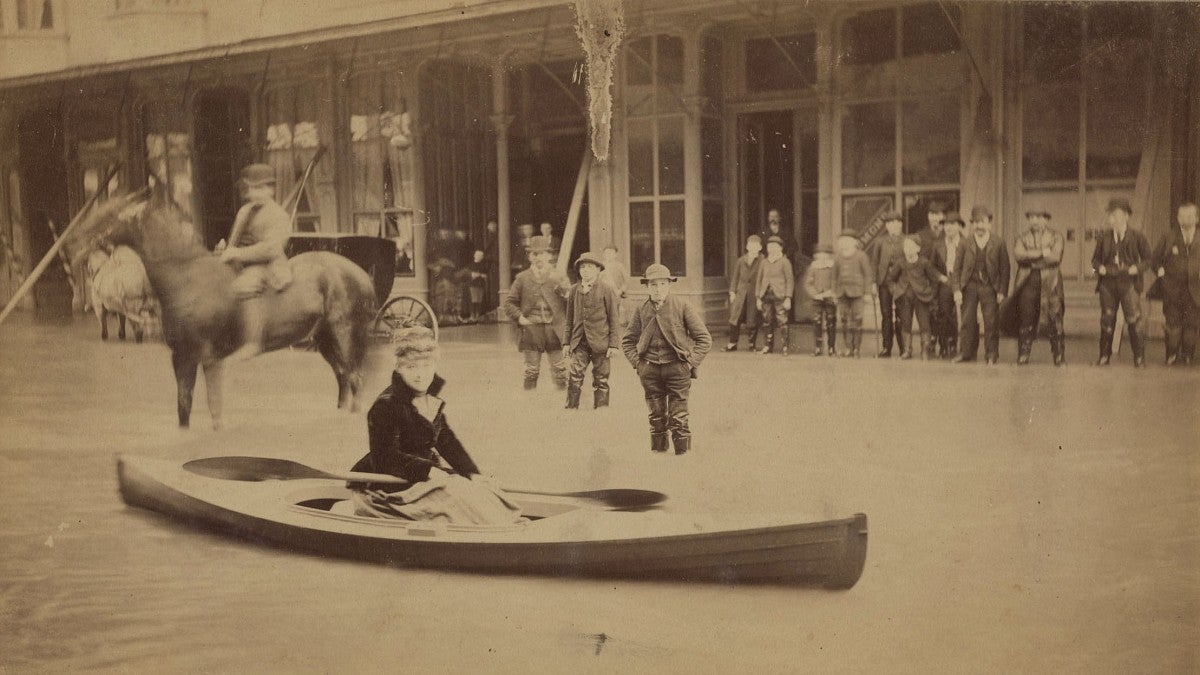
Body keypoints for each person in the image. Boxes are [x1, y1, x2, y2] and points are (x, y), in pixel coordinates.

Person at [348, 326, 522, 525]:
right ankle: (492, 528)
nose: (420, 375)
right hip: (389, 483)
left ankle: (503, 523)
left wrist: (472, 473)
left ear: (435, 366)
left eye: (426, 366)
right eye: (411, 367)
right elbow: (385, 458)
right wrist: (429, 471)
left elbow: (446, 441)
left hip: (420, 474)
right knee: (456, 495)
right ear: (398, 368)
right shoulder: (387, 405)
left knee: (478, 487)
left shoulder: (430, 400)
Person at [622, 264, 712, 455]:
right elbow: (628, 341)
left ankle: (682, 452)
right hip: (649, 370)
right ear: (647, 287)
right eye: (653, 285)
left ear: (669, 285)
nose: (658, 289)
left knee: (679, 414)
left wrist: (689, 363)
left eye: (662, 284)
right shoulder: (641, 309)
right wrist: (637, 364)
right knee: (655, 413)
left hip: (677, 369)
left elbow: (704, 339)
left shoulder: (682, 306)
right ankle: (659, 452)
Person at [219, 163, 293, 361]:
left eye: (261, 188)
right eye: (252, 189)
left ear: (271, 189)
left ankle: (253, 341)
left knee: (245, 285)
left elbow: (271, 249)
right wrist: (226, 251)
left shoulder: (278, 216)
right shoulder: (244, 211)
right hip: (240, 262)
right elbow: (235, 239)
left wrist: (238, 254)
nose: (256, 193)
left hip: (267, 265)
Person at [503, 236, 571, 389]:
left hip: (555, 329)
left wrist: (566, 293)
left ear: (549, 255)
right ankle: (530, 402)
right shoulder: (522, 278)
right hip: (531, 328)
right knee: (531, 370)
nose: (539, 258)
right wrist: (521, 318)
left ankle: (561, 404)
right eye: (535, 254)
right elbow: (509, 303)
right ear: (530, 257)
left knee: (560, 370)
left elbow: (571, 302)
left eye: (542, 254)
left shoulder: (559, 276)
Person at [1091, 198, 1152, 367]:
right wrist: (1099, 270)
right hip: (1107, 285)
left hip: (1129, 284)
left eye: (1116, 215)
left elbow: (1149, 260)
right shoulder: (1104, 237)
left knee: (1134, 320)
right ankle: (1104, 357)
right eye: (1110, 216)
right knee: (1107, 319)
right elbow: (1093, 264)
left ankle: (1139, 358)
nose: (1112, 219)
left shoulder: (1137, 236)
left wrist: (1136, 269)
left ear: (1126, 216)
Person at [1008, 209, 1066, 366]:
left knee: (1055, 316)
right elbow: (1019, 256)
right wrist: (1043, 253)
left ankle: (1059, 355)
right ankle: (1024, 354)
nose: (1034, 220)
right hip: (1027, 281)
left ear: (1046, 219)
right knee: (1025, 316)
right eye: (1031, 217)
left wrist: (1031, 259)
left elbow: (1055, 258)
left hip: (1051, 281)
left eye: (1039, 217)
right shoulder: (1021, 237)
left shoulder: (1056, 236)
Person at [953, 206, 1010, 365]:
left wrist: (1002, 291)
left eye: (983, 222)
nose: (979, 226)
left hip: (990, 287)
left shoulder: (998, 242)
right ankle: (966, 352)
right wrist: (957, 289)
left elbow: (1005, 269)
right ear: (972, 224)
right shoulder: (965, 243)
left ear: (989, 223)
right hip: (969, 286)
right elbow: (956, 268)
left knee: (991, 321)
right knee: (967, 320)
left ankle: (991, 354)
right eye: (976, 222)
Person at [563, 251, 620, 410]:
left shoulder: (606, 289)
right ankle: (571, 409)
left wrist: (614, 345)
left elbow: (614, 319)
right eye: (582, 267)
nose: (585, 270)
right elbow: (569, 319)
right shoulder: (574, 290)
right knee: (574, 376)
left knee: (601, 379)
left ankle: (601, 410)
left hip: (601, 343)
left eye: (589, 267)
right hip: (580, 341)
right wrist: (566, 343)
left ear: (597, 269)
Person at [1152, 202, 1200, 365]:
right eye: (1182, 216)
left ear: (1197, 218)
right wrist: (1160, 272)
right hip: (1172, 289)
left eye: (1189, 216)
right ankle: (1171, 355)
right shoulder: (1168, 236)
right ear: (1178, 218)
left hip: (1195, 290)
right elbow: (1155, 259)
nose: (1185, 219)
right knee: (1172, 324)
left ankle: (1188, 355)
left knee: (1192, 325)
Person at [887, 237, 946, 360]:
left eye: (911, 246)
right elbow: (890, 279)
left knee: (924, 324)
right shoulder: (900, 263)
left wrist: (931, 292)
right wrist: (895, 291)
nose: (908, 249)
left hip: (922, 297)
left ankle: (925, 350)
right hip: (904, 298)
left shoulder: (924, 263)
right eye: (906, 246)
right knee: (905, 323)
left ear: (918, 248)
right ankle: (907, 350)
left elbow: (934, 278)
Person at [869, 212, 907, 358]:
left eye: (897, 222)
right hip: (884, 282)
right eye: (890, 222)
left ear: (901, 224)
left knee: (901, 316)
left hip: (900, 283)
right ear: (886, 226)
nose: (894, 225)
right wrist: (873, 282)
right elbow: (874, 262)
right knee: (886, 315)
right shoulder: (880, 241)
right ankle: (886, 347)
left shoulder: (906, 240)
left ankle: (904, 348)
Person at [832, 230, 874, 357]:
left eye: (848, 240)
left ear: (855, 242)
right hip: (842, 293)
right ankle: (848, 347)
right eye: (843, 240)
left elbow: (868, 275)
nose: (845, 243)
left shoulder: (861, 256)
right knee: (844, 320)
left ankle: (856, 348)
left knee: (857, 320)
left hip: (857, 293)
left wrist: (867, 292)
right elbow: (834, 276)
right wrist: (834, 292)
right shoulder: (838, 257)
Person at [931, 211, 967, 359]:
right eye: (946, 225)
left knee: (962, 314)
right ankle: (944, 345)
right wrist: (940, 277)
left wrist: (962, 282)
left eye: (953, 224)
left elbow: (970, 265)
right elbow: (930, 266)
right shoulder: (937, 244)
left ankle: (958, 344)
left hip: (962, 282)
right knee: (944, 313)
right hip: (945, 282)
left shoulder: (967, 243)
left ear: (959, 227)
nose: (949, 228)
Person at [755, 235, 794, 355]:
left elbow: (790, 280)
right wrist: (758, 297)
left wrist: (788, 297)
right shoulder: (764, 262)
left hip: (780, 296)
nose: (771, 248)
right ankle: (767, 346)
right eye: (769, 246)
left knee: (782, 320)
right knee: (767, 321)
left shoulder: (785, 262)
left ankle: (785, 347)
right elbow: (759, 280)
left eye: (774, 246)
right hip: (766, 295)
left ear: (780, 248)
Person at [725, 234, 763, 352]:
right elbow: (735, 277)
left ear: (760, 247)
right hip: (741, 294)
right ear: (747, 246)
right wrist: (732, 292)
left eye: (755, 245)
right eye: (750, 245)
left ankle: (752, 344)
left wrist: (761, 295)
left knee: (753, 319)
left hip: (754, 294)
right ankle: (732, 343)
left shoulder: (763, 260)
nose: (753, 248)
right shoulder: (741, 260)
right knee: (735, 318)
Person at [802, 242, 837, 356]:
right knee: (817, 322)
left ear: (829, 255)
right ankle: (818, 347)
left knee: (831, 322)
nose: (822, 256)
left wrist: (831, 292)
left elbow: (836, 282)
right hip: (817, 299)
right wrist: (815, 294)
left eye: (825, 254)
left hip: (830, 298)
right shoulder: (813, 267)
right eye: (819, 254)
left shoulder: (832, 267)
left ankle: (831, 347)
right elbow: (808, 283)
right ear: (816, 255)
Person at [466, 249, 489, 323]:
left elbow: (485, 275)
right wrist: (473, 275)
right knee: (473, 300)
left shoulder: (483, 266)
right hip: (473, 285)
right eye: (479, 255)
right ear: (475, 256)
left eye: (481, 256)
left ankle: (477, 316)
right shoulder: (470, 265)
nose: (481, 257)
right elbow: (469, 274)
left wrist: (482, 276)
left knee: (479, 300)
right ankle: (472, 316)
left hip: (480, 285)